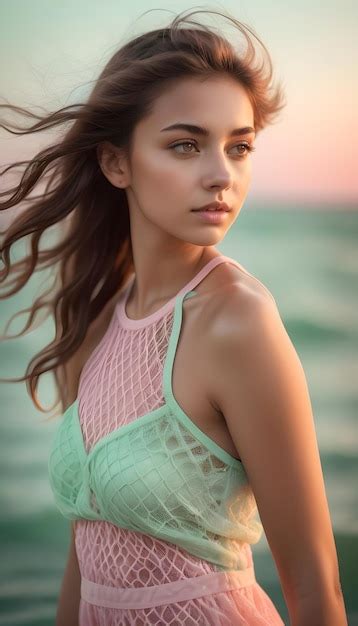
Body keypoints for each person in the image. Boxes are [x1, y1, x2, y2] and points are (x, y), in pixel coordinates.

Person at [0, 7, 348, 626]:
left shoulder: (238, 322)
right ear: (116, 163)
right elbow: (87, 550)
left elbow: (316, 590)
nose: (221, 175)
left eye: (239, 147)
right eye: (185, 145)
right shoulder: (98, 319)